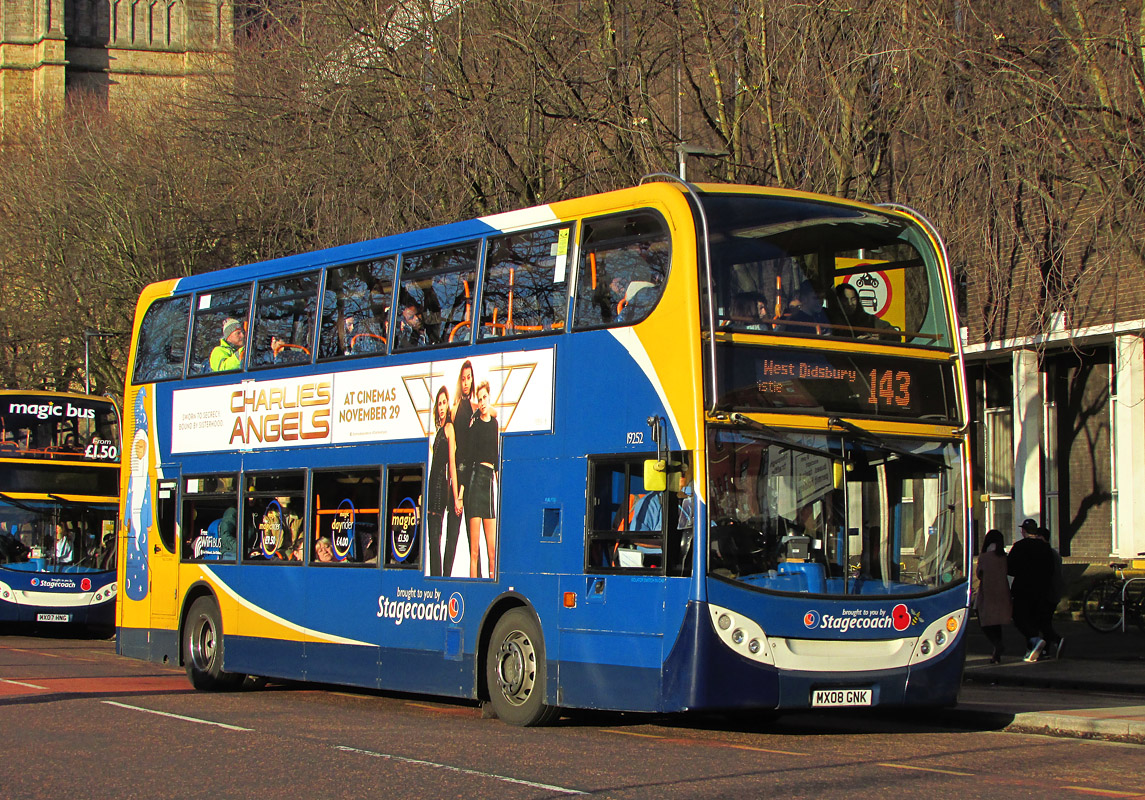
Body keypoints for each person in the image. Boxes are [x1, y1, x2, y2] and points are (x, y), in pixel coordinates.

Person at [1008, 518, 1060, 661]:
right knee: (1035, 620)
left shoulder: (1019, 546)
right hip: (1041, 590)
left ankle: (1034, 640)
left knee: (1019, 618)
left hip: (1023, 589)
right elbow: (1050, 569)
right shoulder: (1045, 548)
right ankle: (1033, 651)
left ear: (1023, 531)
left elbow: (1010, 569)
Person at [427, 386, 464, 577]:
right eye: (439, 403)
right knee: (432, 540)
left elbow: (452, 464)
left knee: (436, 537)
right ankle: (436, 576)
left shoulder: (449, 428)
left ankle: (438, 579)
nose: (441, 407)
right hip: (432, 484)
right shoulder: (439, 429)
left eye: (444, 403)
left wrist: (457, 496)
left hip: (441, 486)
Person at [466, 380, 499, 578]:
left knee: (492, 551)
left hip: (489, 483)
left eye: (484, 397)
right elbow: (470, 456)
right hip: (476, 480)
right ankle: (473, 588)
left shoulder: (494, 424)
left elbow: (495, 456)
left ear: (489, 397)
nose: (482, 402)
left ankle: (491, 586)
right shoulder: (475, 425)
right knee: (475, 551)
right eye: (479, 399)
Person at [976, 529, 1012, 663]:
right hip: (1002, 592)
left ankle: (997, 645)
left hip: (987, 591)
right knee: (997, 624)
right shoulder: (1003, 557)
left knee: (984, 621)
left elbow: (979, 574)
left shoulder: (984, 557)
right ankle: (996, 653)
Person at [833, 283, 899, 340]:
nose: (850, 303)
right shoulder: (830, 319)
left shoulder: (868, 319)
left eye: (853, 299)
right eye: (845, 300)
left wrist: (881, 337)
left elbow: (895, 334)